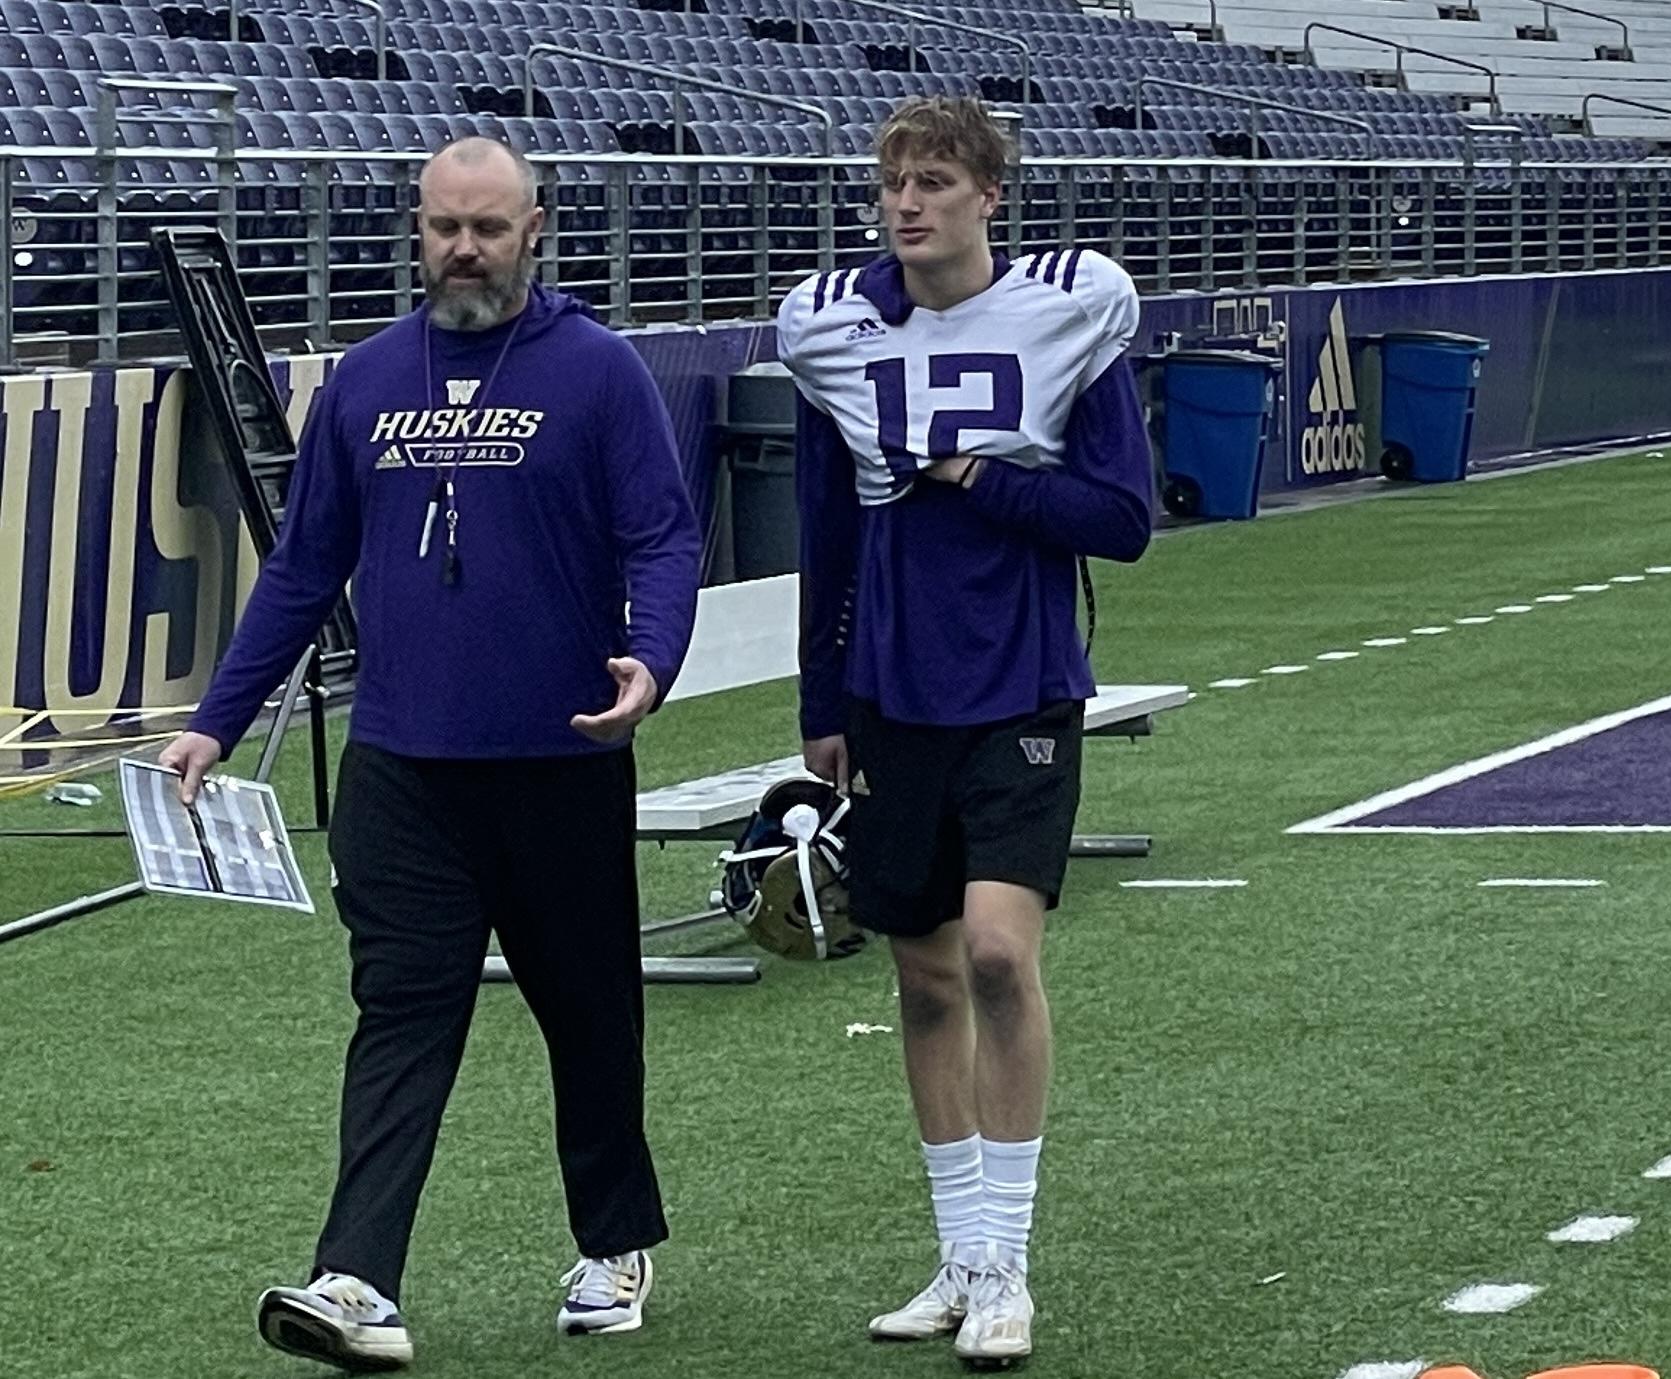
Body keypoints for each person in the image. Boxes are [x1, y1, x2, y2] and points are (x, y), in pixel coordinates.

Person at [154, 137, 702, 1371]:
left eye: (488, 228)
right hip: (403, 768)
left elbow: (663, 537)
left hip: (561, 758)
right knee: (400, 1014)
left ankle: (614, 1240)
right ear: (417, 230)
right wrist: (215, 718)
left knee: (590, 1015)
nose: (464, 248)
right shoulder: (365, 381)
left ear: (534, 231)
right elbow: (304, 563)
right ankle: (356, 1277)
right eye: (445, 226)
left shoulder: (599, 372)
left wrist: (652, 659)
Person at [775, 95, 1157, 1370]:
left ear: (990, 196)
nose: (907, 204)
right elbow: (826, 528)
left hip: (1021, 677)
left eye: (935, 181)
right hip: (892, 690)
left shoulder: (1067, 311)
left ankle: (1007, 1261)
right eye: (894, 183)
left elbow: (1121, 518)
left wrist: (977, 473)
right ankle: (959, 1252)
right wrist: (821, 702)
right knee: (925, 974)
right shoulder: (833, 327)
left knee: (997, 952)